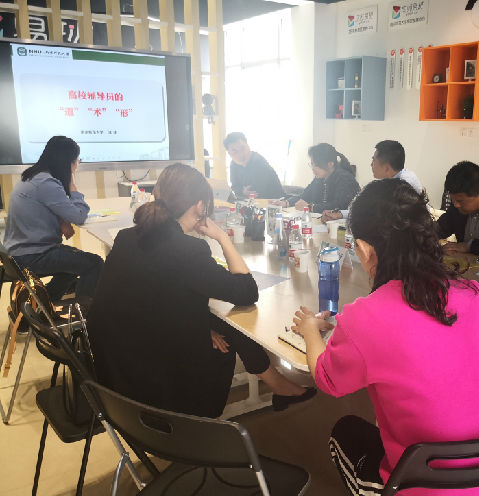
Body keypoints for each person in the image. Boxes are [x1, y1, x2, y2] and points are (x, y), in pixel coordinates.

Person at [292, 179, 479, 496]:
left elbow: (327, 380)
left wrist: (310, 331)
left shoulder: (365, 316)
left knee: (344, 430)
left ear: (364, 249)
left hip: (432, 495)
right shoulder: (475, 294)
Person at [88, 164, 315, 418]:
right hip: (167, 395)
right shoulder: (189, 251)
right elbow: (247, 292)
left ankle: (275, 381)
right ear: (199, 206)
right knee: (229, 326)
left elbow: (150, 298)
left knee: (218, 320)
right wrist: (222, 237)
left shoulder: (126, 237)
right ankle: (275, 383)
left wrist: (203, 325)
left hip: (115, 384)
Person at [3, 136, 103, 308]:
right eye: (77, 160)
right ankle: (85, 312)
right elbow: (79, 216)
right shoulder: (46, 182)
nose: (77, 165)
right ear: (68, 162)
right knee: (94, 263)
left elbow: (43, 208)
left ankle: (43, 306)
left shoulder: (33, 176)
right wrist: (72, 185)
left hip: (17, 253)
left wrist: (61, 220)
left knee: (72, 265)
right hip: (32, 255)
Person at [321, 139, 423, 223]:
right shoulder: (388, 181)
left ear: (387, 168)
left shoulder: (405, 184)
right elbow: (367, 208)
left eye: (373, 160)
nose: (371, 164)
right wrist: (340, 214)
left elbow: (378, 214)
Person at [277, 143, 360, 212]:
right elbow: (304, 196)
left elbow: (340, 206)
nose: (313, 168)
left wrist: (311, 208)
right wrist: (286, 203)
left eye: (317, 165)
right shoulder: (319, 178)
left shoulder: (344, 178)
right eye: (312, 164)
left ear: (330, 164)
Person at [224, 132, 283, 199]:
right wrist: (243, 192)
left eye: (242, 148)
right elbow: (235, 187)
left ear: (248, 145)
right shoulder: (233, 164)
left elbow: (257, 193)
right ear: (229, 153)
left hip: (274, 202)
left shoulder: (258, 161)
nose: (241, 154)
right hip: (252, 202)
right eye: (235, 151)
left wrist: (243, 192)